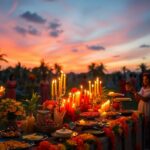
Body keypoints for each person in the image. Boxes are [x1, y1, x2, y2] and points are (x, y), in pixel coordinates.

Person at [128, 73, 150, 149]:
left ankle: (147, 145)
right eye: (144, 79)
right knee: (142, 127)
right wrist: (132, 91)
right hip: (141, 109)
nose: (145, 81)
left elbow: (145, 99)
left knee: (147, 128)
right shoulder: (143, 88)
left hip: (147, 110)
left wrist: (134, 91)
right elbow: (138, 99)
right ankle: (142, 144)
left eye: (146, 79)